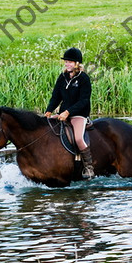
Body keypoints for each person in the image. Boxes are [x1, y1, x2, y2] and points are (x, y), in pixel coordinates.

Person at [45, 47, 95, 179]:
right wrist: (49, 110)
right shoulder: (62, 77)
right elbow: (56, 96)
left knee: (78, 138)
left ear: (77, 63)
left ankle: (89, 167)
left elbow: (84, 100)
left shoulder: (84, 78)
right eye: (66, 62)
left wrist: (68, 112)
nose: (67, 64)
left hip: (79, 114)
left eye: (70, 62)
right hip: (63, 114)